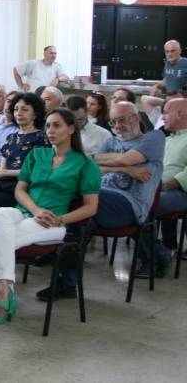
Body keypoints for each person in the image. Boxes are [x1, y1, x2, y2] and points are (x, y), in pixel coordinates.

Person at [0, 108, 100, 325]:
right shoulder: (37, 155)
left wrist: (61, 219)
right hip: (26, 212)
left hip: (54, 221)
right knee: (0, 212)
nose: (50, 130)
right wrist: (35, 210)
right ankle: (4, 295)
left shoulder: (85, 163)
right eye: (48, 125)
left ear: (71, 129)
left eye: (57, 125)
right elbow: (20, 190)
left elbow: (90, 208)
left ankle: (2, 298)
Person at [40, 101, 164, 299]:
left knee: (75, 196)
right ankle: (66, 281)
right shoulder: (112, 142)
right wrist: (124, 169)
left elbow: (124, 159)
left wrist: (113, 161)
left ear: (137, 118)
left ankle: (49, 249)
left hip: (129, 205)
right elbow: (91, 166)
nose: (117, 126)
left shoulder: (154, 138)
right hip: (100, 199)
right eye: (113, 122)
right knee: (79, 223)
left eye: (122, 120)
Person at [143, 99, 187, 274]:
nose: (162, 117)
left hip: (179, 192)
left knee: (141, 207)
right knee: (129, 204)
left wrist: (168, 183)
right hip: (157, 189)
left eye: (166, 112)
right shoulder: (167, 139)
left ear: (181, 114)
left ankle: (156, 256)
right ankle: (159, 252)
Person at [0, 93, 48, 210]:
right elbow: (3, 167)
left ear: (35, 114)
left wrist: (5, 172)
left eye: (24, 109)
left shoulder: (41, 138)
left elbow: (37, 170)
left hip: (23, 187)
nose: (19, 113)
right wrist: (1, 173)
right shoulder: (11, 137)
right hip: (3, 184)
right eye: (16, 109)